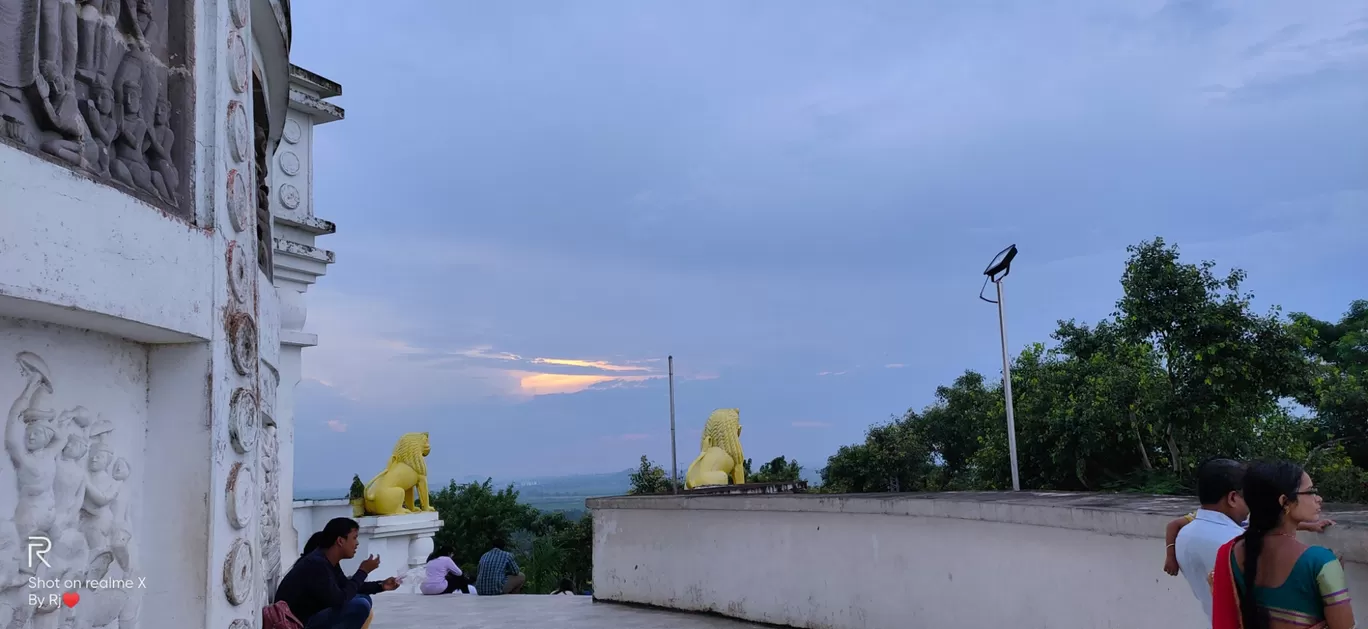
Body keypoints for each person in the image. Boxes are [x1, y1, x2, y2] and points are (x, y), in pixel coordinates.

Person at [1212, 461, 1355, 629]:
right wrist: (1332, 575)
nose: (1319, 498)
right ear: (1285, 501)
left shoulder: (1230, 552)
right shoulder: (1320, 561)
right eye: (1310, 491)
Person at [274, 518, 400, 629]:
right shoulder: (316, 564)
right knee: (359, 606)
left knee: (363, 598)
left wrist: (381, 586)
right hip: (298, 623)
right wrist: (363, 571)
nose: (357, 543)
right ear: (340, 541)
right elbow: (340, 599)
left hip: (311, 617)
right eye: (354, 538)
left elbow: (347, 586)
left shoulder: (328, 560)